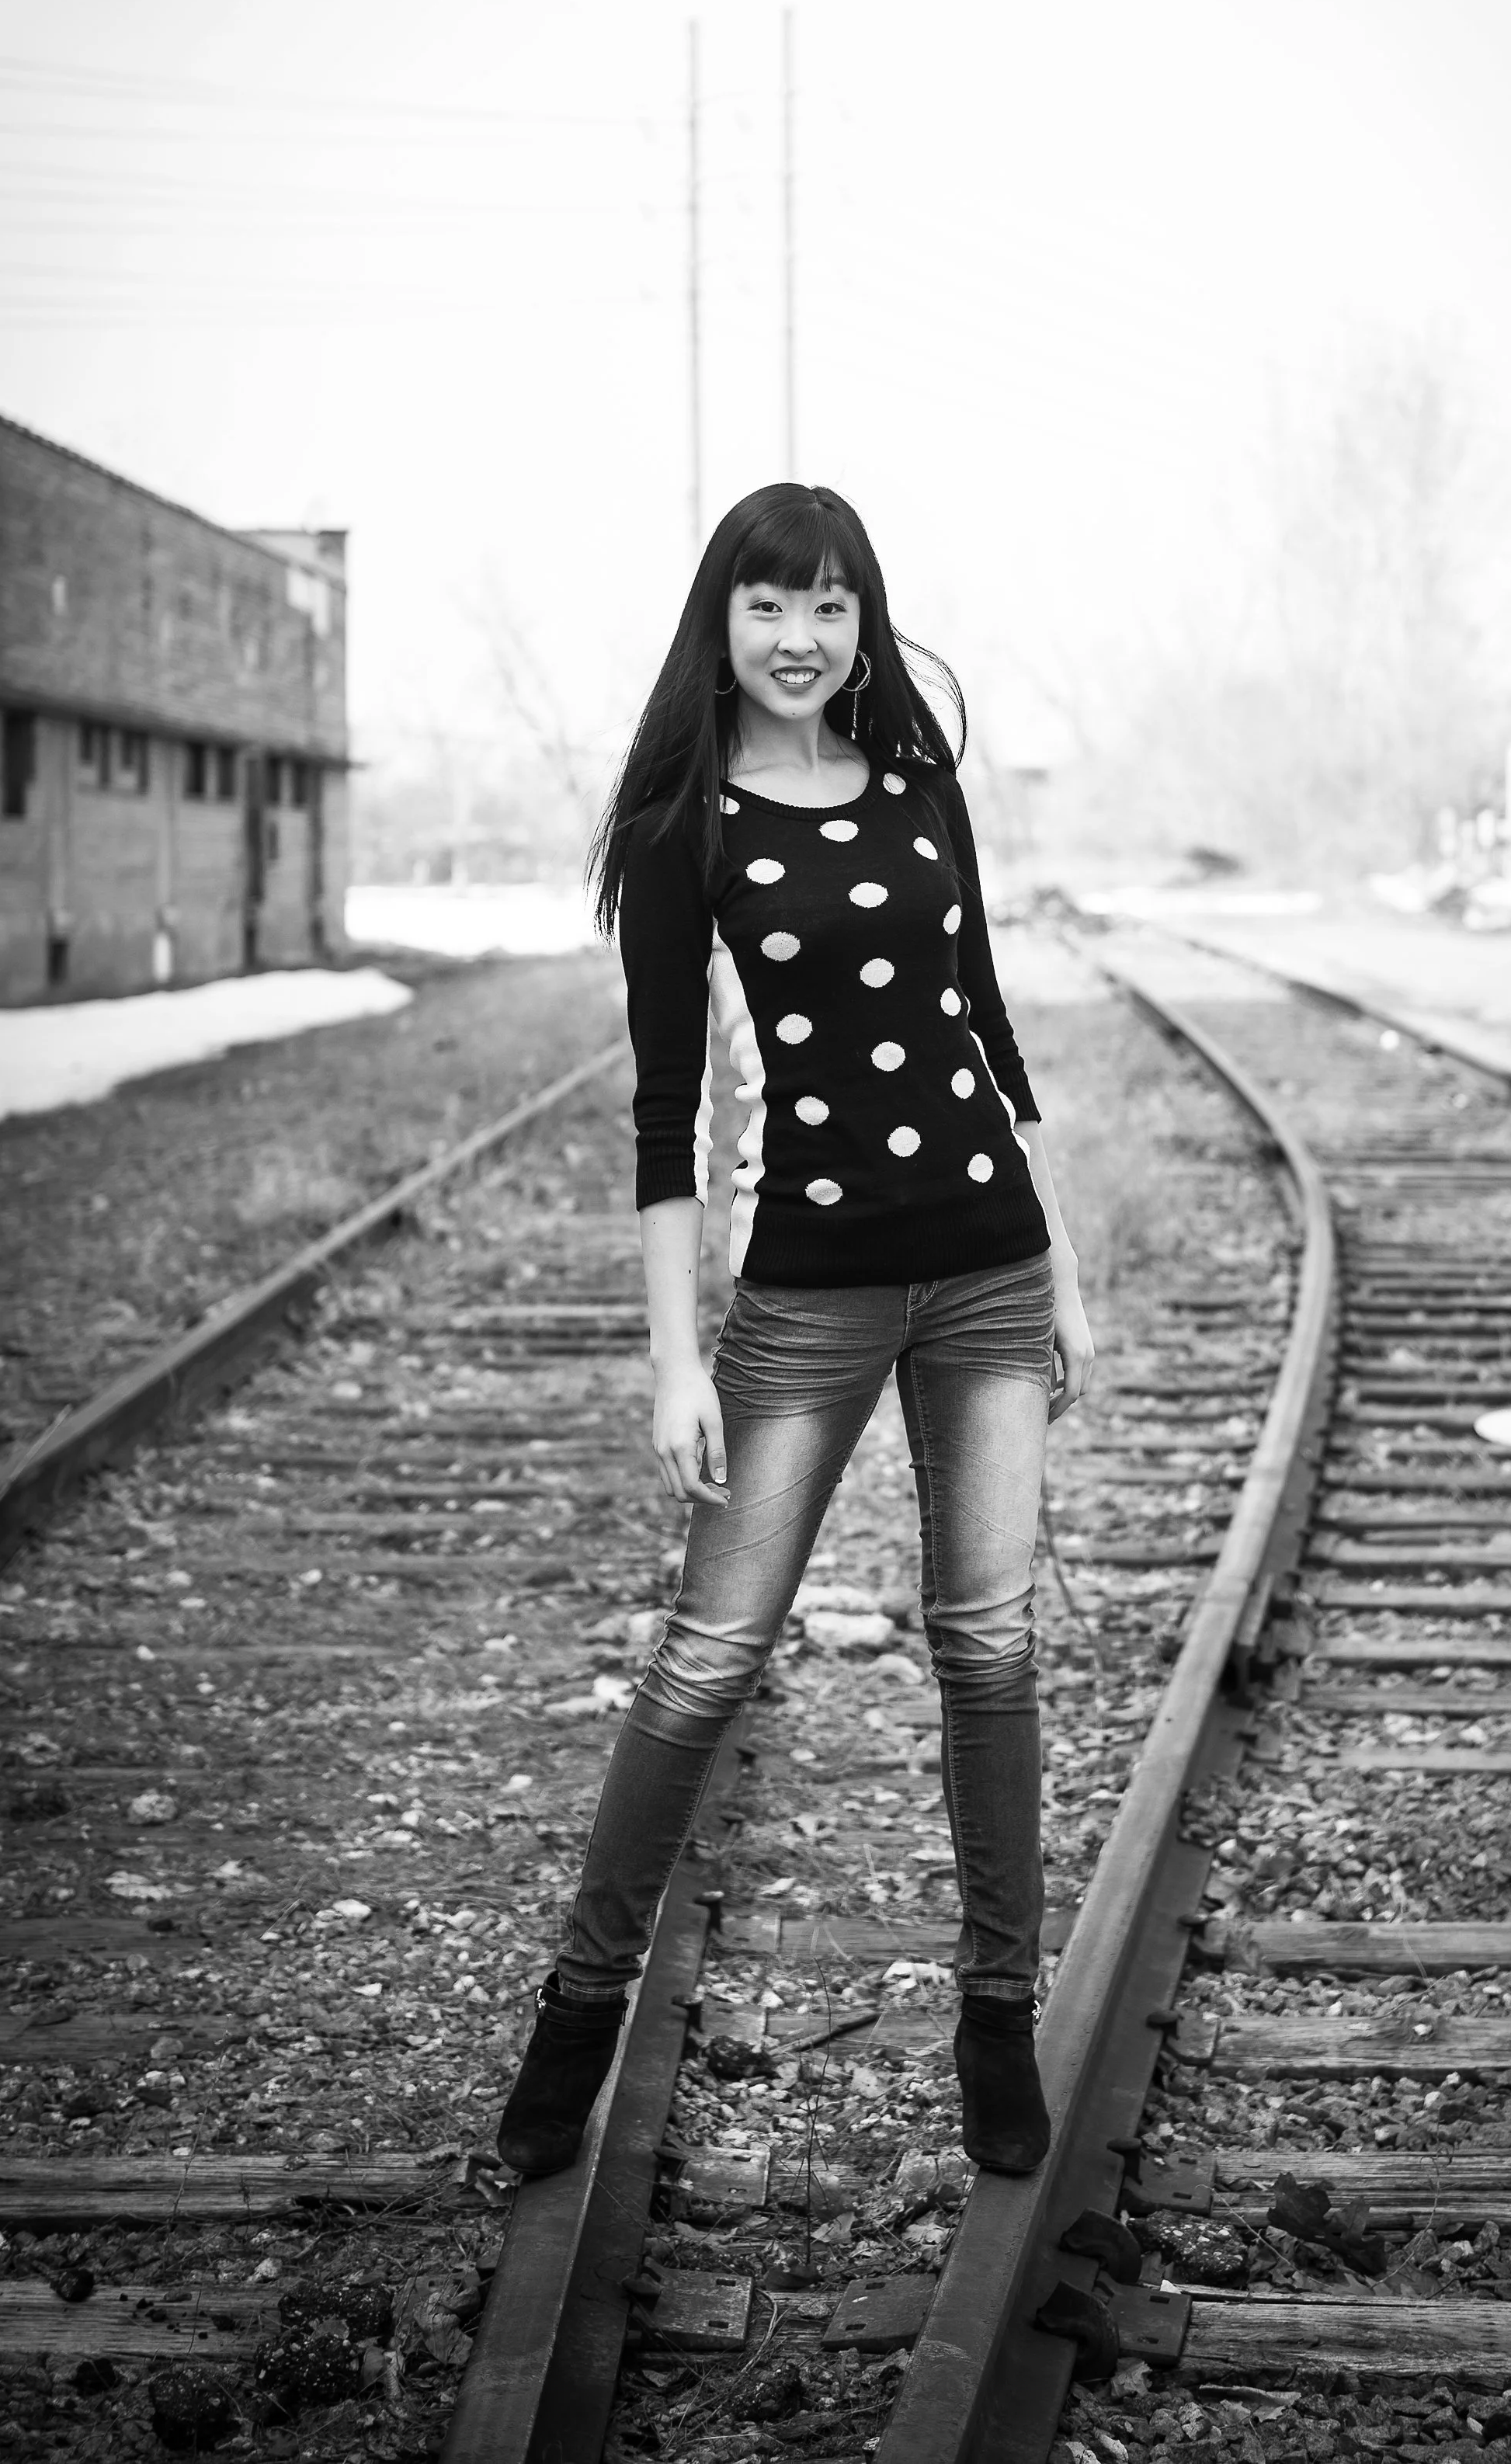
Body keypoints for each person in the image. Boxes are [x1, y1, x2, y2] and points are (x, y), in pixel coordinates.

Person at [497, 482, 1094, 2182]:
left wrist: (1062, 1265)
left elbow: (988, 1030)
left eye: (831, 605)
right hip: (806, 1294)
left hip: (984, 1267)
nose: (800, 636)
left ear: (863, 622)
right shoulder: (692, 826)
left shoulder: (921, 791)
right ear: (724, 621)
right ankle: (577, 2013)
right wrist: (674, 1352)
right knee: (709, 1652)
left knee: (988, 1649)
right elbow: (666, 1109)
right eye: (771, 603)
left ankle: (997, 2017)